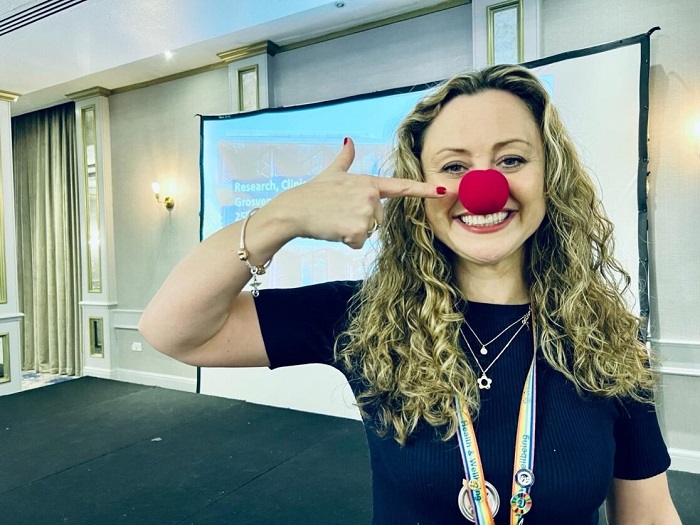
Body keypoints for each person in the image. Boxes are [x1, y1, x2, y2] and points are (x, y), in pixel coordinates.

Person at [138, 64, 681, 525]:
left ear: (550, 175)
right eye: (453, 166)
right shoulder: (363, 316)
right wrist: (279, 218)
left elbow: (650, 515)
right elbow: (173, 330)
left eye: (512, 159)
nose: (483, 186)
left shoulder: (607, 338)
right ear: (419, 189)